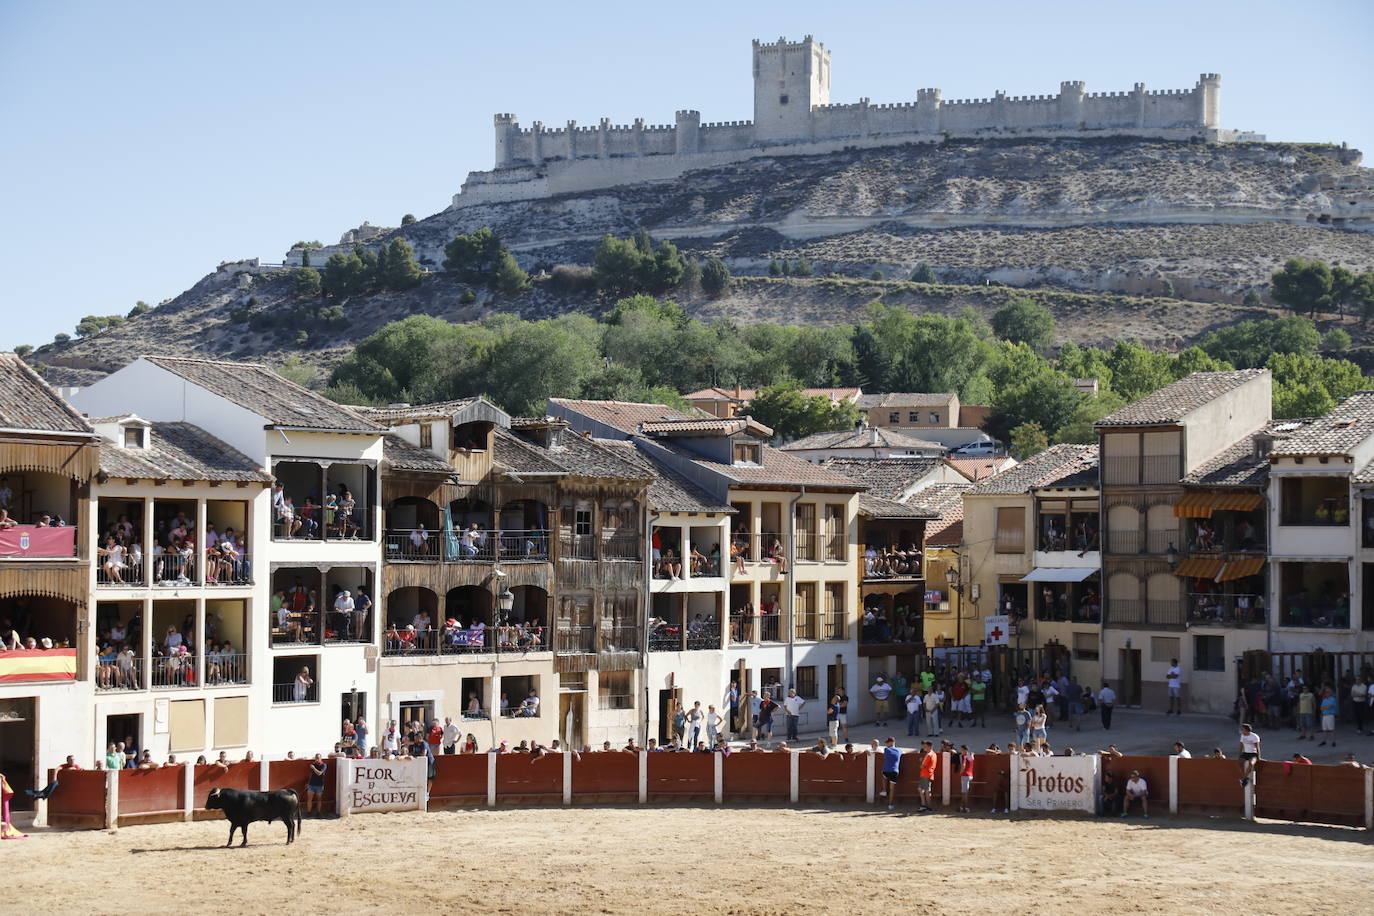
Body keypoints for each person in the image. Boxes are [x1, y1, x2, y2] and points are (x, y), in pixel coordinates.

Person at [879, 737, 903, 812]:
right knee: (892, 789)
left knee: (883, 776)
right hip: (895, 771)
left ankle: (884, 790)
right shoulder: (899, 750)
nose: (886, 744)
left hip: (886, 770)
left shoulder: (886, 749)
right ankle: (890, 804)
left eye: (887, 742)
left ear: (891, 742)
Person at [916, 740, 937, 812]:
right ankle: (924, 805)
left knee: (926, 791)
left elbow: (922, 766)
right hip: (930, 774)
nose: (924, 748)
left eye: (925, 746)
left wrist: (921, 762)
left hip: (925, 774)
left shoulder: (928, 755)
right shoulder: (934, 754)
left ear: (929, 746)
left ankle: (927, 806)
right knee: (922, 789)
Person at [957, 745, 974, 813]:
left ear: (965, 750)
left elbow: (963, 766)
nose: (961, 751)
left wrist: (960, 772)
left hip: (965, 775)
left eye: (962, 750)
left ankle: (965, 808)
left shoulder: (964, 756)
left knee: (964, 793)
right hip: (970, 775)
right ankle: (962, 807)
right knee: (965, 792)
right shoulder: (971, 756)